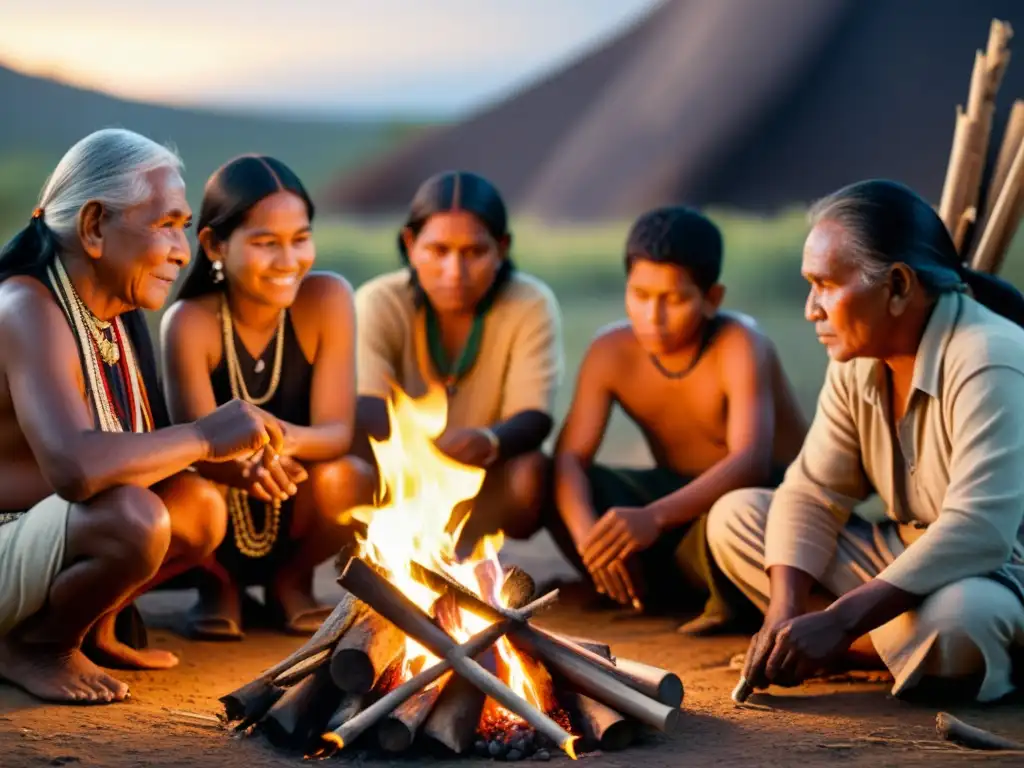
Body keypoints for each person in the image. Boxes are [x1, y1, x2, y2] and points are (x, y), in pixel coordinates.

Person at [708, 179, 1024, 704]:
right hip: (903, 559)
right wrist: (783, 609)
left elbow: (980, 532)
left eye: (826, 285)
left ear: (898, 286)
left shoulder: (988, 358)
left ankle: (852, 646)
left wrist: (841, 619)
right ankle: (866, 644)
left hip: (998, 571)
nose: (812, 308)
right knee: (736, 518)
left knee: (959, 624)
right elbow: (812, 492)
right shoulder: (858, 358)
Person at [0, 129, 283, 704]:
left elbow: (130, 453)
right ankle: (34, 645)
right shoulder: (27, 306)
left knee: (199, 507)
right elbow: (76, 469)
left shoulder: (113, 312)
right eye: (167, 224)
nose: (184, 250)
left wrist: (223, 463)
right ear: (95, 226)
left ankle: (87, 629)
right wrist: (203, 436)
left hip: (43, 534)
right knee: (134, 518)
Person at [551, 206, 808, 635]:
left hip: (756, 504)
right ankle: (628, 580)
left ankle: (707, 595)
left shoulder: (741, 344)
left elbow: (751, 463)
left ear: (712, 299)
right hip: (675, 501)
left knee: (731, 520)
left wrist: (653, 518)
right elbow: (569, 459)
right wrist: (588, 539)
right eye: (640, 294)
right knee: (560, 485)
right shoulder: (610, 351)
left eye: (674, 299)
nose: (653, 315)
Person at [161, 155, 367, 640]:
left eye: (300, 239)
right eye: (265, 243)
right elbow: (191, 449)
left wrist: (275, 442)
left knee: (349, 479)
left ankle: (290, 580)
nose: (288, 260)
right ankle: (218, 585)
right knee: (192, 495)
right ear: (214, 244)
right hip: (216, 505)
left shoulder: (328, 300)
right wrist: (240, 467)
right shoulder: (190, 321)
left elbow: (336, 432)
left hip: (296, 497)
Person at [353, 170, 564, 559]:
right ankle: (381, 548)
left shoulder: (530, 303)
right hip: (399, 474)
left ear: (501, 248)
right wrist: (426, 453)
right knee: (347, 471)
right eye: (438, 251)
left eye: (474, 252)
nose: (455, 272)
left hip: (486, 475)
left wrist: (488, 440)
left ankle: (469, 547)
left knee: (530, 474)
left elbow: (533, 417)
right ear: (410, 244)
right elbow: (367, 407)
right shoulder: (378, 300)